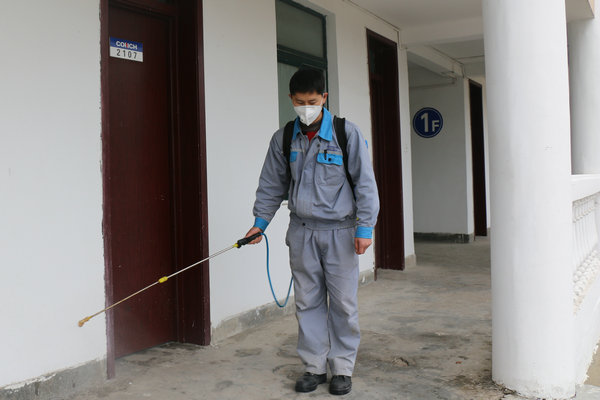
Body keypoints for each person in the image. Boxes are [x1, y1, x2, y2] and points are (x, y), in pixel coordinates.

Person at [244, 68, 379, 395]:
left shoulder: (346, 133)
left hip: (341, 232)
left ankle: (342, 367)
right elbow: (271, 184)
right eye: (301, 102)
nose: (307, 108)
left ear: (324, 98)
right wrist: (260, 223)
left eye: (313, 101)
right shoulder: (284, 138)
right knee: (307, 302)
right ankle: (314, 366)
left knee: (343, 303)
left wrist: (365, 227)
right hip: (302, 231)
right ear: (291, 99)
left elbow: (365, 184)